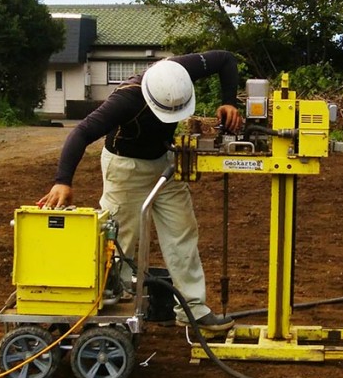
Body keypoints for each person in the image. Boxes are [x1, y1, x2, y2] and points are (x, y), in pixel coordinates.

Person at [38, 50, 243, 331]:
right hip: (125, 168)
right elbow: (81, 132)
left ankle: (192, 309)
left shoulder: (180, 70)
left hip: (165, 162)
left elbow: (226, 59)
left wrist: (229, 102)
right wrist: (63, 180)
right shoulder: (126, 99)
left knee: (182, 230)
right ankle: (114, 308)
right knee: (120, 239)